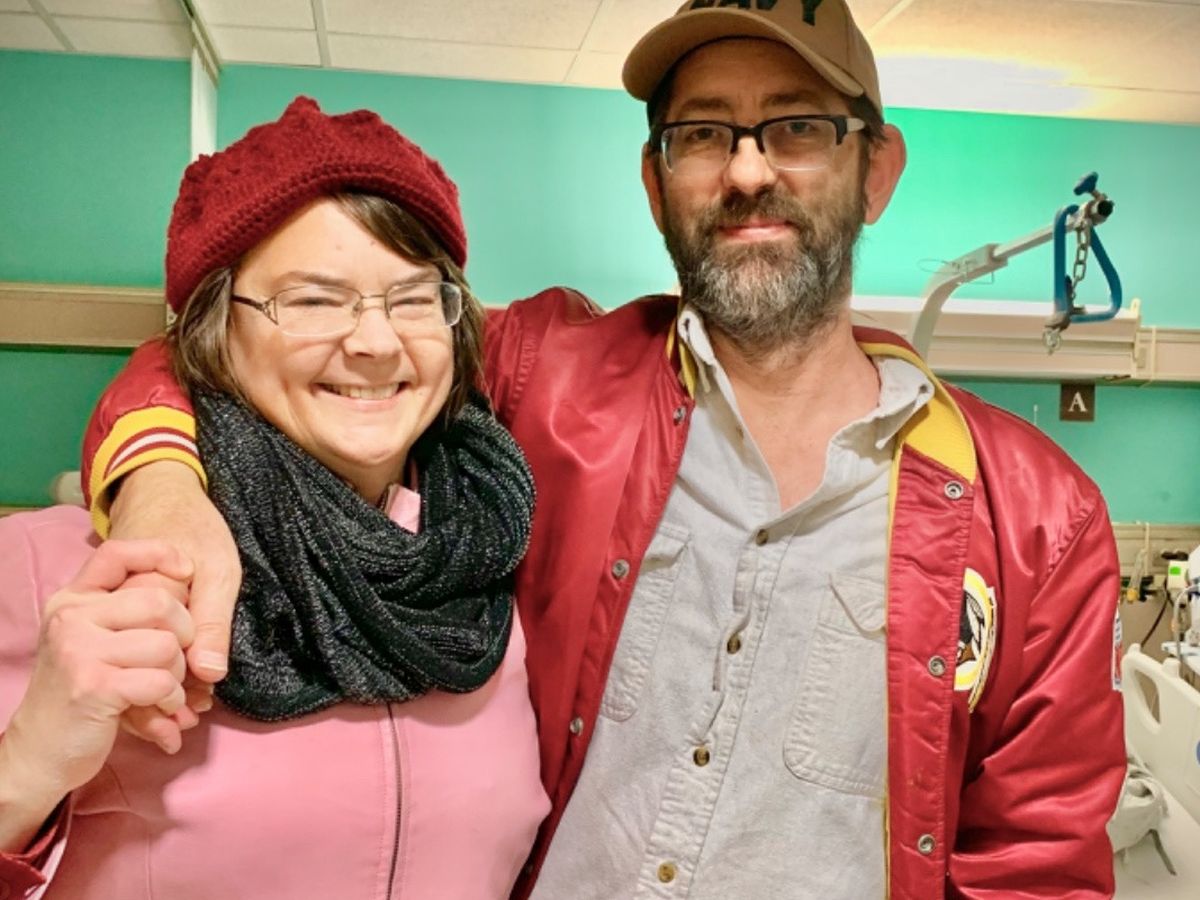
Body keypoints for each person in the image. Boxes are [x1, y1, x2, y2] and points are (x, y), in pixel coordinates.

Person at [61, 1, 1126, 897]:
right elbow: (231, 362)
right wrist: (161, 484)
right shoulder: (542, 379)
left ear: (876, 169)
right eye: (702, 134)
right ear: (656, 182)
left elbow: (1038, 868)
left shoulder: (1037, 519)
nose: (747, 169)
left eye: (797, 126)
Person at [0, 97, 549, 898]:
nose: (375, 342)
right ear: (215, 328)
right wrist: (27, 765)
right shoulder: (66, 575)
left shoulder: (494, 558)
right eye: (312, 301)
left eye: (411, 298)